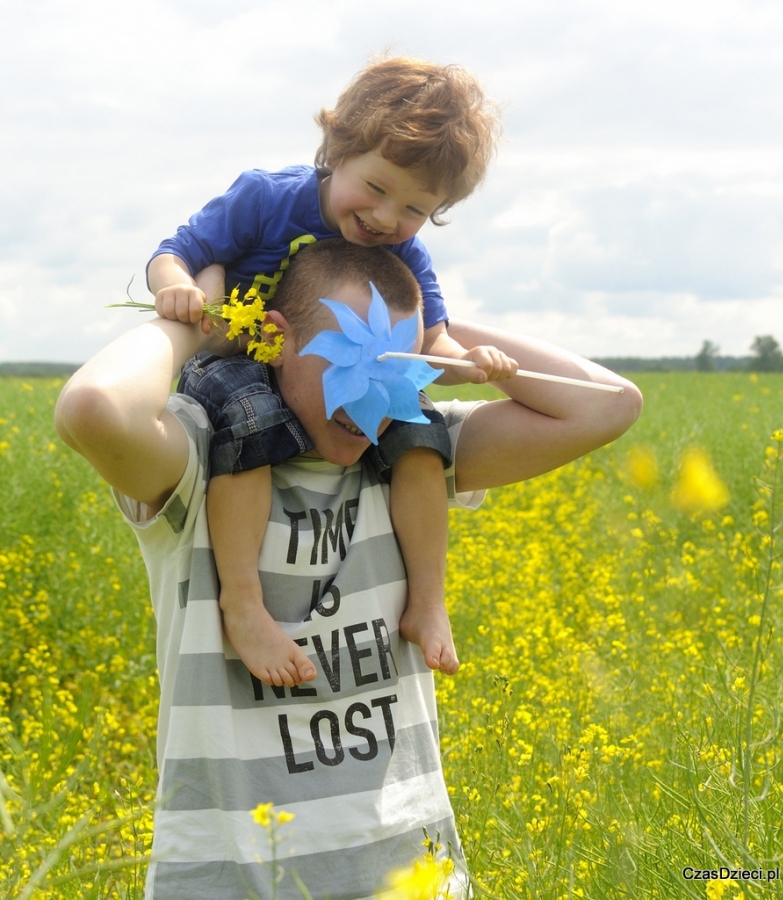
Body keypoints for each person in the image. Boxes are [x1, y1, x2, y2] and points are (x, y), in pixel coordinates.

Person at [55, 240, 642, 899]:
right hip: (232, 880)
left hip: (412, 874)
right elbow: (92, 409)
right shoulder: (201, 457)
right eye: (356, 360)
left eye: (399, 369)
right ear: (276, 339)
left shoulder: (411, 459)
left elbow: (609, 403)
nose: (376, 399)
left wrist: (437, 335)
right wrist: (194, 320)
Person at [146, 56, 517, 688]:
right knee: (249, 417)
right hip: (236, 362)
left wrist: (471, 364)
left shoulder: (405, 250)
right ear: (338, 145)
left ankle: (427, 599)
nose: (386, 218)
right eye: (376, 188)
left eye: (413, 208)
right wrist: (178, 289)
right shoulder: (267, 197)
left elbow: (432, 342)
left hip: (346, 377)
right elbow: (175, 252)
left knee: (420, 431)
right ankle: (243, 601)